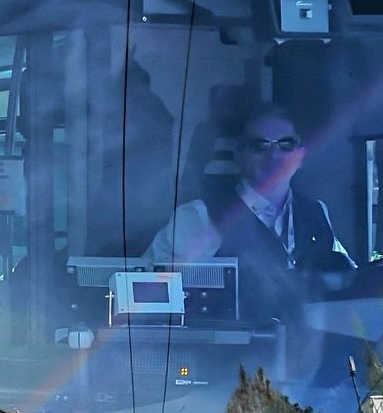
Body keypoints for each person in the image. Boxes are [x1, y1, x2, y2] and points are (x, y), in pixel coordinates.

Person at [149, 102, 352, 317]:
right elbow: (147, 292)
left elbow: (350, 280)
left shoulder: (316, 212)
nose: (274, 155)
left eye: (286, 144)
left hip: (304, 346)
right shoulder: (199, 217)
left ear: (300, 154)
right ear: (238, 154)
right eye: (259, 145)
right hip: (227, 348)